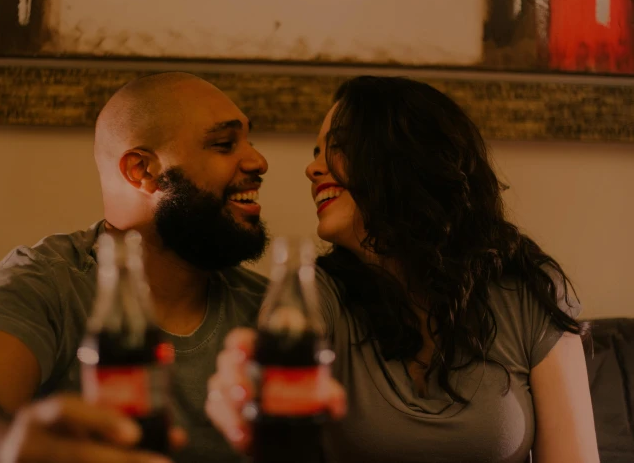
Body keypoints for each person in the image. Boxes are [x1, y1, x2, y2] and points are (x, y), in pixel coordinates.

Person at [206, 76, 600, 463]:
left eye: (338, 147)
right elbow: (275, 364)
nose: (312, 168)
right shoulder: (319, 293)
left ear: (407, 158)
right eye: (315, 152)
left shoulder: (528, 291)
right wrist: (248, 387)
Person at [0, 72, 271, 463]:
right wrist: (7, 447)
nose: (258, 161)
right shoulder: (48, 280)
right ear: (142, 172)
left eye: (249, 140)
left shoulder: (270, 309)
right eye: (224, 144)